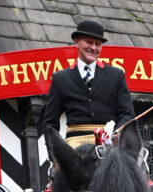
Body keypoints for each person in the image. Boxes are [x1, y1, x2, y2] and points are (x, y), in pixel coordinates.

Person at [39, 19, 136, 148]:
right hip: (75, 145)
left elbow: (127, 114)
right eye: (89, 42)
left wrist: (118, 132)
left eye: (98, 44)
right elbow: (50, 123)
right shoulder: (60, 78)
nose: (93, 48)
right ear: (76, 41)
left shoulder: (116, 75)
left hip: (109, 145)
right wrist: (55, 157)